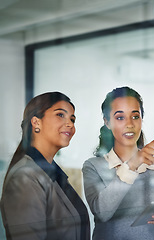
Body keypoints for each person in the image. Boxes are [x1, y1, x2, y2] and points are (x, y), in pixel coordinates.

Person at [82, 86, 154, 240]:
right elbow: (102, 212)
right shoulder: (93, 166)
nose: (130, 124)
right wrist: (132, 165)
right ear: (107, 122)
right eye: (120, 117)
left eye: (135, 116)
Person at [0, 92, 90, 240]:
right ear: (36, 122)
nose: (70, 124)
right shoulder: (25, 177)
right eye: (60, 115)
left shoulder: (51, 173)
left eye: (72, 119)